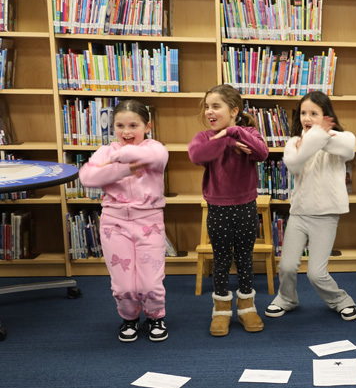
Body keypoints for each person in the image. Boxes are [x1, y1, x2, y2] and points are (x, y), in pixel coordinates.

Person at [78, 100, 169, 342]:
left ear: (147, 126)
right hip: (114, 225)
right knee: (123, 284)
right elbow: (87, 176)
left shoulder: (155, 148)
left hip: (149, 222)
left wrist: (117, 158)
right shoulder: (105, 151)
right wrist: (125, 169)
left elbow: (152, 156)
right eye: (119, 125)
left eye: (133, 125)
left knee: (150, 281)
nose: (126, 132)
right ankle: (129, 319)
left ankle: (155, 316)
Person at [265, 91, 356, 321]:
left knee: (316, 273)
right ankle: (286, 298)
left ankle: (341, 300)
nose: (307, 118)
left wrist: (319, 137)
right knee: (286, 267)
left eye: (314, 113)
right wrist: (316, 136)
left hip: (326, 216)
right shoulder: (294, 142)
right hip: (299, 214)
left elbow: (347, 150)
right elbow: (294, 162)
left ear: (327, 116)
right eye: (303, 113)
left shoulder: (343, 137)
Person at [188, 84, 269, 337]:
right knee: (221, 260)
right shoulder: (204, 137)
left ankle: (247, 307)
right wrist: (226, 141)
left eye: (216, 106)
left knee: (245, 259)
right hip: (218, 209)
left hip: (245, 207)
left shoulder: (248, 132)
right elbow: (198, 156)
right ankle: (221, 310)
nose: (209, 112)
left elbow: (262, 153)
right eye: (207, 107)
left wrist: (235, 133)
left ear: (234, 110)